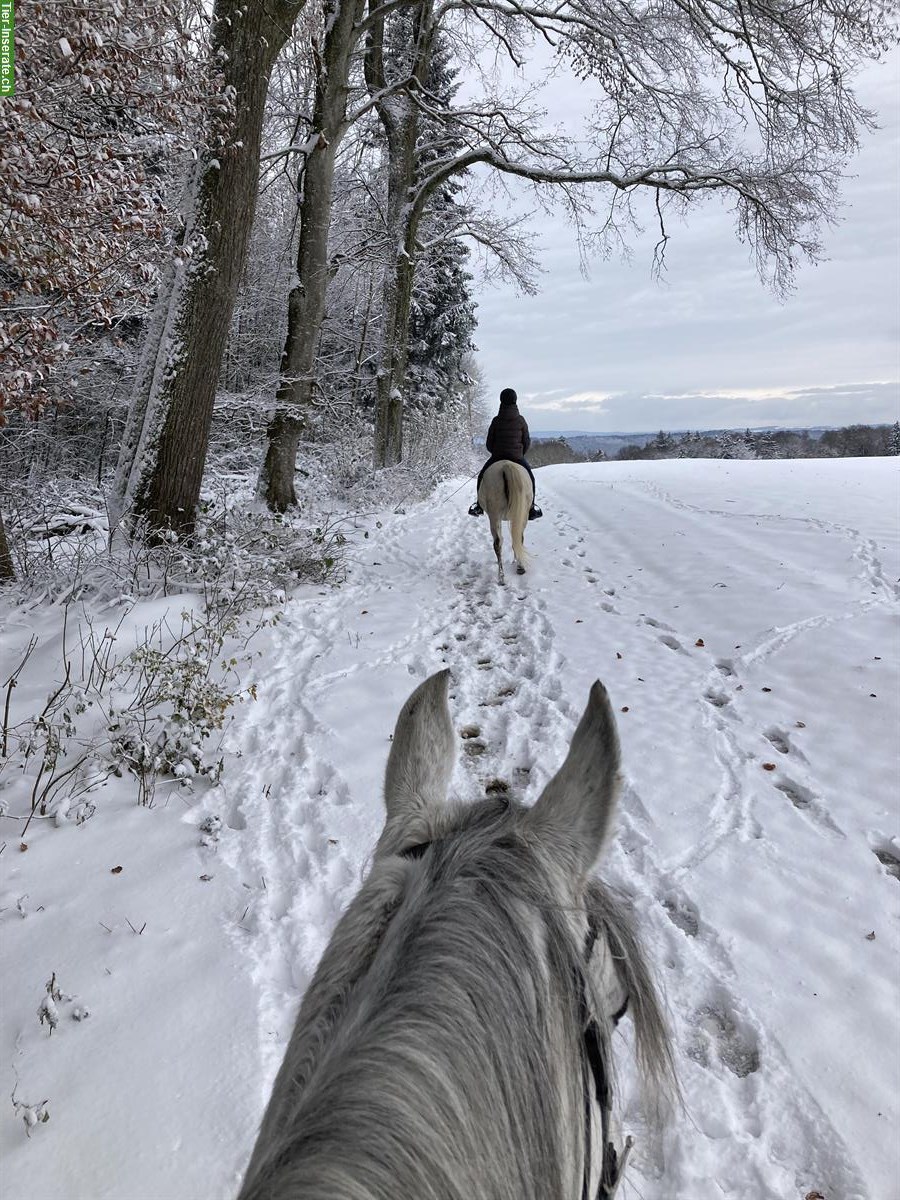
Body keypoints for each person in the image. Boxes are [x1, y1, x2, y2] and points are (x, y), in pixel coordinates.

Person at [468, 388, 543, 520]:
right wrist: (520, 454)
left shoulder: (496, 420)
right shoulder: (521, 420)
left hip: (497, 457)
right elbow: (527, 442)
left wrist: (496, 453)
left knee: (482, 476)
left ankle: (479, 506)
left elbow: (489, 443)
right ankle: (531, 508)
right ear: (515, 401)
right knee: (530, 478)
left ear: (501, 401)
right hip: (517, 457)